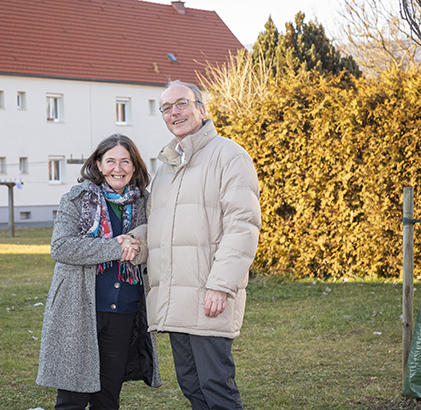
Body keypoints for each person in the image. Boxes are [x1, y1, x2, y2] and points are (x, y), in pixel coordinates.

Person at [131, 80, 261, 410]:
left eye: (182, 103)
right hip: (176, 297)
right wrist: (137, 242)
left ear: (202, 109)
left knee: (215, 386)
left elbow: (242, 227)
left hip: (208, 295)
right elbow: (165, 226)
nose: (174, 112)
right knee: (191, 385)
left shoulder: (229, 156)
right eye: (166, 108)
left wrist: (221, 285)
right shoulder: (167, 166)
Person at [36, 134, 161, 410]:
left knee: (108, 399)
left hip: (124, 312)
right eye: (111, 161)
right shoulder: (77, 199)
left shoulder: (146, 203)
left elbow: (156, 241)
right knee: (71, 400)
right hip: (80, 309)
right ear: (98, 164)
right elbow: (62, 247)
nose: (118, 168)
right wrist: (114, 247)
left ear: (134, 165)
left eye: (125, 161)